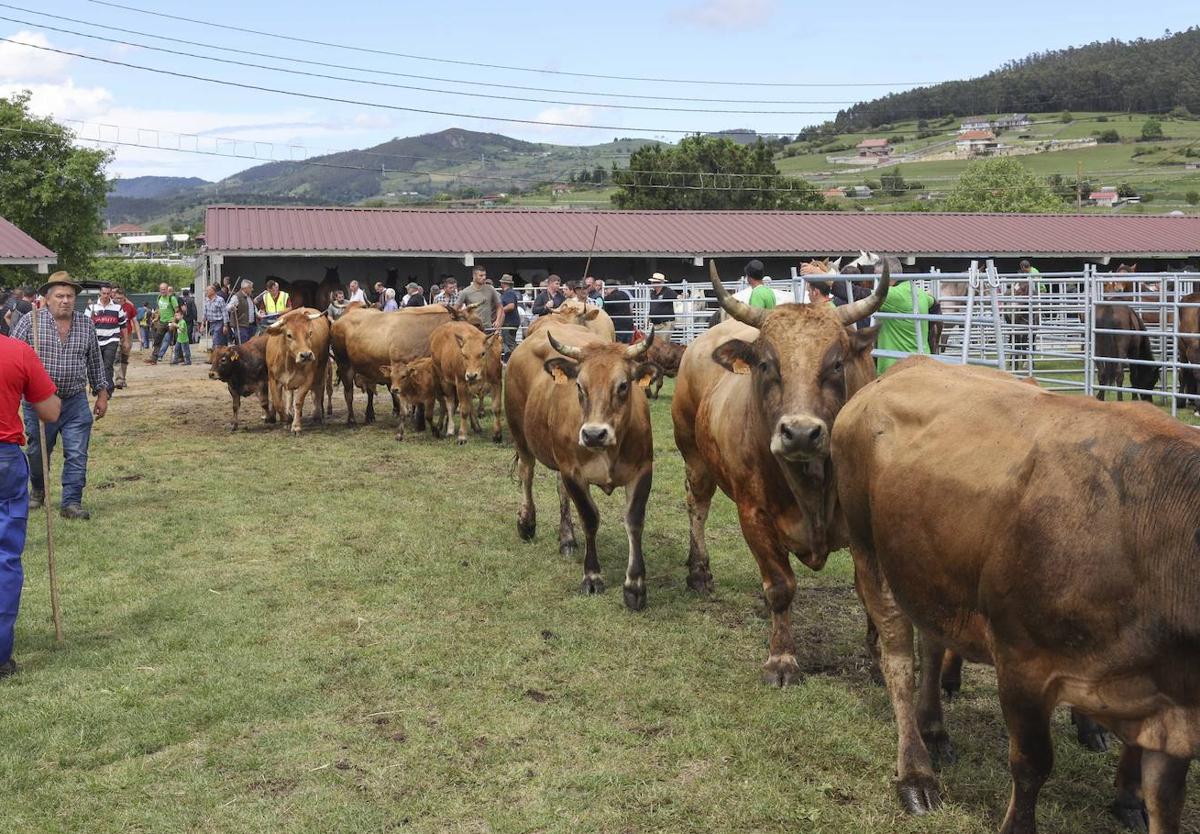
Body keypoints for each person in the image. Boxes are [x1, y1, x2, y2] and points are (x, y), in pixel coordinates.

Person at [10, 272, 109, 520]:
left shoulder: (86, 324)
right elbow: (11, 358)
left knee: (77, 452)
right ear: (47, 298)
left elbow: (95, 361)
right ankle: (38, 491)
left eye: (70, 296)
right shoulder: (29, 322)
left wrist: (102, 393)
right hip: (39, 402)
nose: (65, 300)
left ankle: (71, 503)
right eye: (59, 296)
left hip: (75, 400)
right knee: (37, 451)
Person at [0, 323, 60, 678]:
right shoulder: (17, 351)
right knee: (4, 557)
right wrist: (38, 383)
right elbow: (50, 412)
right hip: (4, 457)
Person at [875, 259, 935, 375]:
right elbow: (934, 303)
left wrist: (832, 281)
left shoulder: (893, 294)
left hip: (896, 367)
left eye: (877, 277)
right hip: (922, 361)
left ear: (885, 277)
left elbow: (860, 294)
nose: (876, 281)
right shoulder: (919, 292)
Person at [84, 283, 126, 393]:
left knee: (108, 365)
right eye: (104, 293)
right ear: (99, 293)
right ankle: (97, 386)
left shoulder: (117, 307)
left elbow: (123, 325)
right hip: (96, 341)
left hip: (112, 339)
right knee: (97, 365)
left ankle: (108, 389)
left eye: (108, 293)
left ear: (111, 293)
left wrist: (125, 340)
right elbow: (86, 325)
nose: (106, 295)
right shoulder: (91, 307)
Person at [456, 266, 503, 333]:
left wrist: (498, 320)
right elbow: (456, 309)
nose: (484, 277)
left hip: (488, 328)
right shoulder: (465, 292)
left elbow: (499, 306)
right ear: (474, 276)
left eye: (485, 275)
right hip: (472, 329)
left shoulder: (490, 289)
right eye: (481, 275)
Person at [145, 282, 179, 365]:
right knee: (157, 340)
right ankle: (154, 358)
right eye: (161, 289)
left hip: (170, 322)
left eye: (164, 289)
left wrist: (174, 321)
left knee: (170, 340)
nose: (162, 291)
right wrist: (157, 318)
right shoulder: (159, 297)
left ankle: (178, 357)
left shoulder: (172, 298)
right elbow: (160, 309)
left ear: (167, 289)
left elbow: (177, 311)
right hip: (162, 322)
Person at [113, 286, 138, 389]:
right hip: (114, 335)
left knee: (124, 358)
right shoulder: (112, 306)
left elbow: (135, 321)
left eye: (121, 298)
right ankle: (119, 379)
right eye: (117, 298)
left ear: (125, 298)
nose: (119, 300)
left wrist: (139, 335)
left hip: (127, 334)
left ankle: (123, 379)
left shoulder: (129, 306)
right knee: (116, 357)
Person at [226, 279, 257, 344]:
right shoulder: (237, 297)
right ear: (245, 288)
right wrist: (232, 307)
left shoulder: (250, 297)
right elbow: (228, 307)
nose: (252, 289)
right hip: (241, 327)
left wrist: (257, 314)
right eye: (250, 288)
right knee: (243, 347)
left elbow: (252, 309)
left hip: (251, 326)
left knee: (250, 346)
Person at [497, 274, 521, 360]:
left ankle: (518, 359)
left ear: (503, 283)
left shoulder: (508, 293)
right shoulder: (510, 292)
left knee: (509, 342)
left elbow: (511, 306)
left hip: (509, 322)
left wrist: (500, 311)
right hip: (511, 322)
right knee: (509, 341)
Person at [203, 284, 228, 348]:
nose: (206, 292)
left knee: (216, 339)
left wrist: (225, 325)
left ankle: (215, 351)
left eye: (207, 291)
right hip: (211, 323)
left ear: (213, 291)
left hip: (219, 322)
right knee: (217, 339)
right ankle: (220, 351)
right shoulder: (206, 300)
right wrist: (202, 324)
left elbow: (224, 313)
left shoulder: (220, 300)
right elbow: (205, 313)